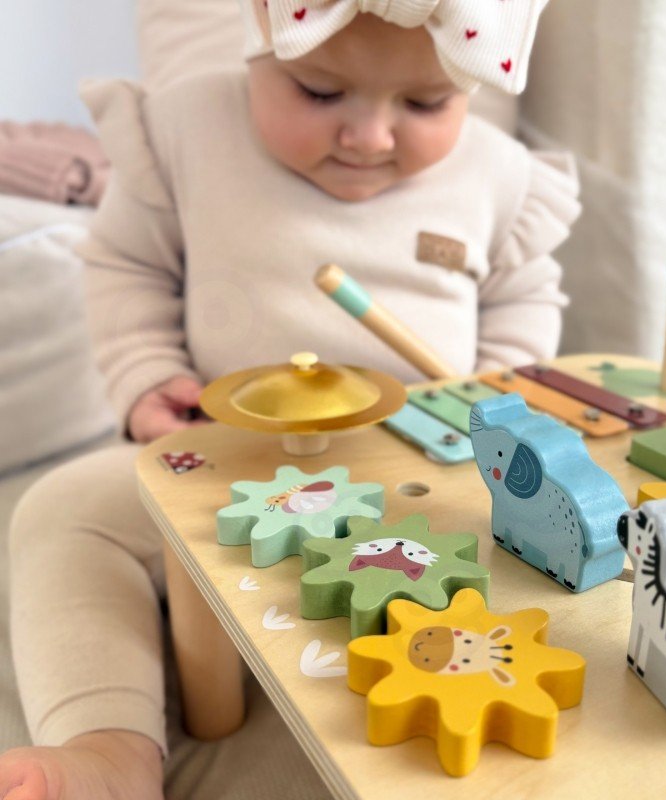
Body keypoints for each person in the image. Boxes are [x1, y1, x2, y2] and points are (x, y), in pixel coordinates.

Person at [0, 1, 579, 797]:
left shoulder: (500, 175)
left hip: (414, 483)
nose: (370, 137)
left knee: (533, 547)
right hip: (219, 461)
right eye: (317, 92)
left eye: (423, 104)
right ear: (260, 38)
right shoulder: (184, 128)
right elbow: (128, 266)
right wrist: (147, 372)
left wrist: (495, 393)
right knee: (63, 509)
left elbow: (527, 301)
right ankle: (108, 747)